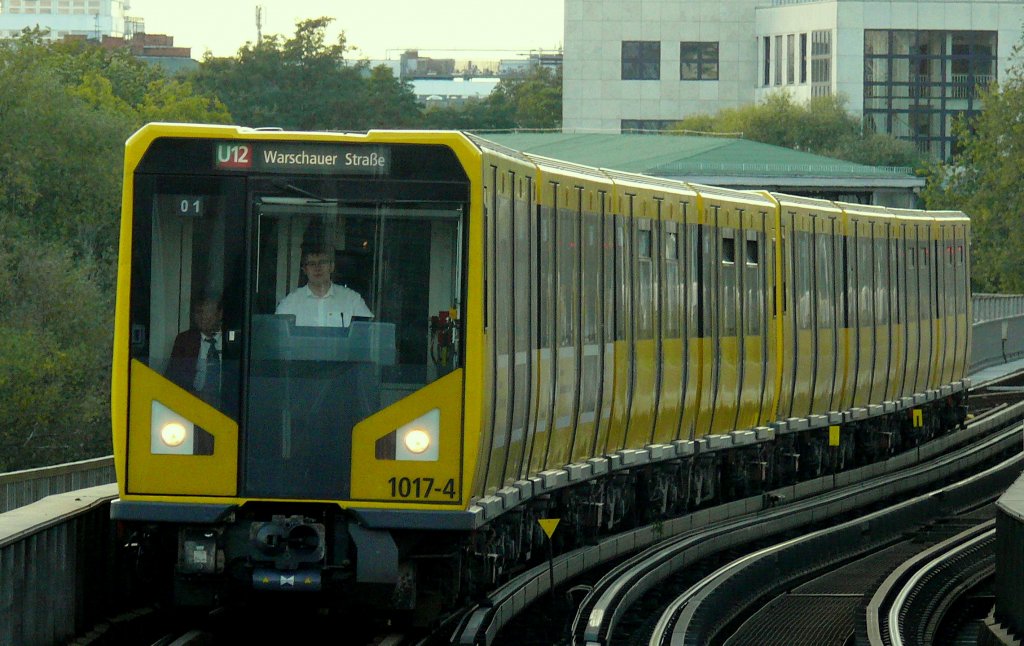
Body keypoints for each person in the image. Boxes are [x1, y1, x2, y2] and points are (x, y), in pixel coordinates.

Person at [276, 246, 373, 327]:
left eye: (322, 262)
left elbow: (367, 331)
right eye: (312, 264)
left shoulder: (352, 300)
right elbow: (279, 335)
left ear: (332, 267)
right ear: (304, 270)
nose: (317, 268)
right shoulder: (290, 303)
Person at [166, 296, 223, 403]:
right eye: (198, 312)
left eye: (208, 311)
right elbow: (172, 378)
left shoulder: (234, 341)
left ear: (220, 314)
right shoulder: (185, 340)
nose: (202, 317)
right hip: (193, 402)